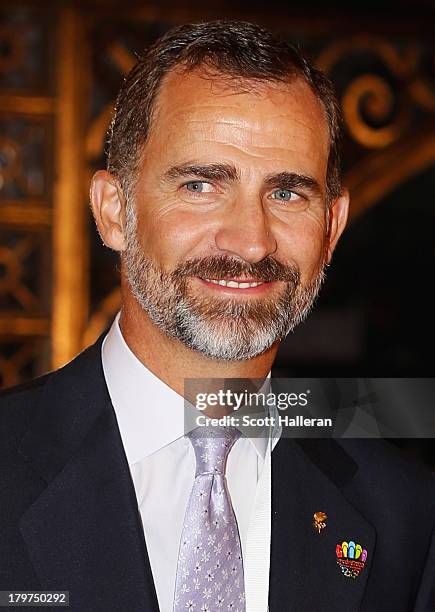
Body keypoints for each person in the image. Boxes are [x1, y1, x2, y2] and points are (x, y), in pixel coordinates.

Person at [0, 20, 434, 612]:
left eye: (287, 194)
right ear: (114, 212)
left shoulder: (404, 514)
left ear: (331, 228)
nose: (251, 242)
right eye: (201, 185)